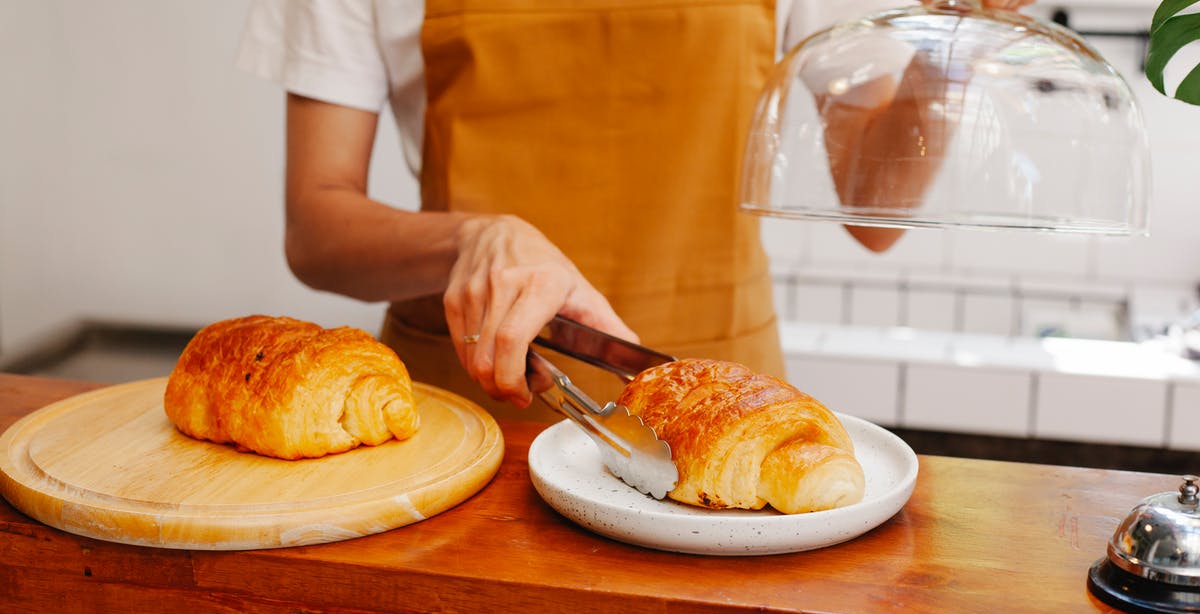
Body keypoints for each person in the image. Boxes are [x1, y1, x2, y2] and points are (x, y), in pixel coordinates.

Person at [237, 0, 1033, 422]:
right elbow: (317, 226)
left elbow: (875, 216)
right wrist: (474, 238)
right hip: (466, 412)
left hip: (720, 408)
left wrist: (949, 48)